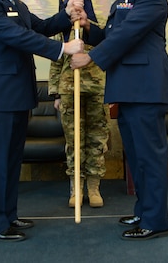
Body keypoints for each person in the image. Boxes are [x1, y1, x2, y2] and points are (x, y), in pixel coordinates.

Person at [0, 0, 84, 242]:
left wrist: (67, 14)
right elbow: (18, 37)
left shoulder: (16, 4)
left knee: (10, 161)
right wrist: (63, 50)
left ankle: (8, 215)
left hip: (18, 96)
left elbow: (41, 27)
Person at [71, 0, 168, 240]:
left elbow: (128, 33)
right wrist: (87, 27)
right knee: (137, 157)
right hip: (128, 90)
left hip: (145, 88)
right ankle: (144, 210)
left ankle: (155, 221)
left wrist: (91, 58)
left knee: (149, 157)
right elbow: (109, 34)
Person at [49, 28, 110, 208]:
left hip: (98, 89)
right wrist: (56, 94)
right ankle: (77, 188)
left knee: (97, 140)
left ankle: (93, 188)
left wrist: (112, 91)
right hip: (69, 89)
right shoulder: (63, 28)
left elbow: (111, 53)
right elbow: (56, 60)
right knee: (74, 140)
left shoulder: (98, 25)